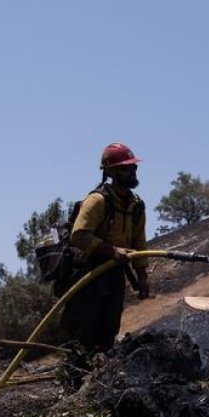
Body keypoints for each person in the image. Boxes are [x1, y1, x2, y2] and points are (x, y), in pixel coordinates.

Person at [59, 142, 150, 364]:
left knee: (108, 334)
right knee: (82, 336)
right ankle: (74, 384)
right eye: (125, 168)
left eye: (133, 168)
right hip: (88, 275)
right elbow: (79, 236)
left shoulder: (136, 206)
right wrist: (111, 250)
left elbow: (140, 244)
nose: (131, 172)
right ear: (109, 171)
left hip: (114, 275)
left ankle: (97, 386)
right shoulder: (97, 200)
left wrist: (143, 277)